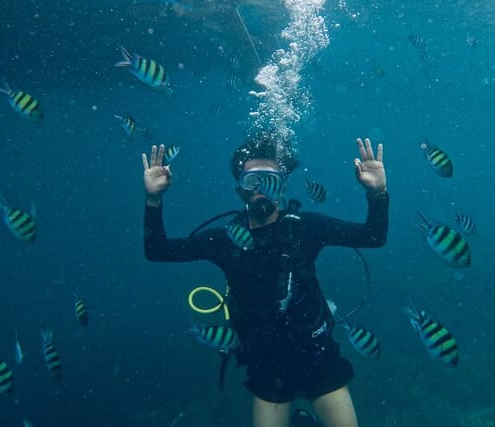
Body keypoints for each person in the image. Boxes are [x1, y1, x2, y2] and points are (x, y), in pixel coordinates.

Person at [142, 135, 389, 427]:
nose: (260, 187)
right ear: (239, 188)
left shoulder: (306, 228)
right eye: (251, 179)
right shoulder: (224, 241)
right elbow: (158, 252)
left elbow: (373, 237)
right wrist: (153, 200)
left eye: (269, 178)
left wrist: (378, 194)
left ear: (282, 184)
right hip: (264, 362)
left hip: (317, 355)